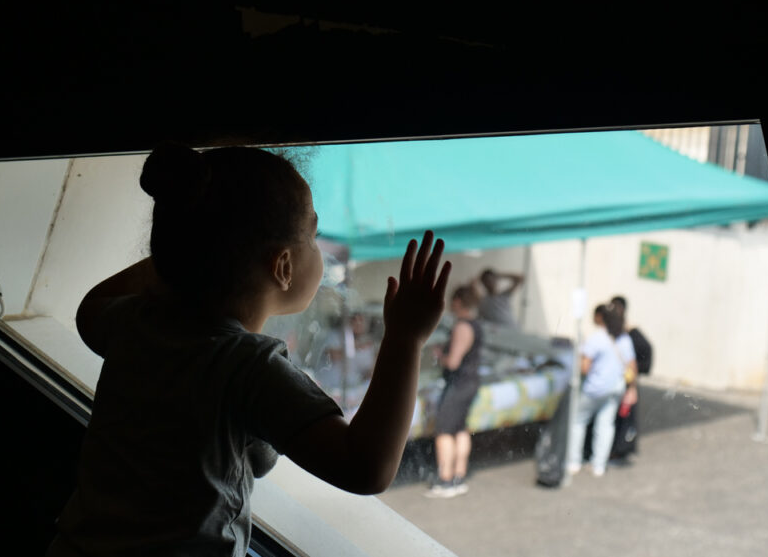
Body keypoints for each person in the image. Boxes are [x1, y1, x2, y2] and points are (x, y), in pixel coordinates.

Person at [45, 142, 451, 557]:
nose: (319, 247)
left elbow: (88, 310)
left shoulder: (133, 323)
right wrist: (405, 338)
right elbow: (365, 468)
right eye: (313, 235)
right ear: (283, 267)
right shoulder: (247, 368)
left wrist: (188, 245)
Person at [425, 285, 483, 498]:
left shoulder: (462, 327)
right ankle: (459, 476)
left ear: (457, 302)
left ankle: (445, 479)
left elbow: (453, 362)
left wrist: (440, 354)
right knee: (460, 428)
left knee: (444, 431)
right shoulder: (475, 325)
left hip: (458, 385)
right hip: (469, 383)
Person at [567, 303, 637, 477]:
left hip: (595, 389)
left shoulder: (597, 338)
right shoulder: (625, 339)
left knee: (578, 421)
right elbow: (631, 365)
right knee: (605, 425)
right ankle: (599, 465)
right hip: (616, 388)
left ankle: (574, 462)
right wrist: (632, 389)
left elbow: (584, 367)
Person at [607, 295, 651, 463]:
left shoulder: (629, 334)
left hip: (627, 383)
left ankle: (620, 451)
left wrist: (633, 381)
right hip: (623, 382)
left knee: (625, 419)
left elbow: (640, 357)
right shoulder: (619, 332)